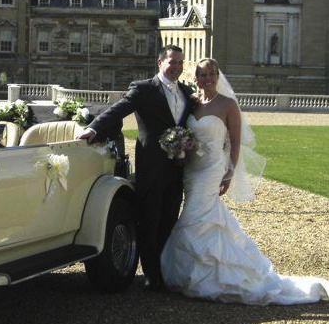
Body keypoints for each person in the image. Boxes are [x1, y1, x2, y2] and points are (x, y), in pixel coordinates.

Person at [160, 58, 329, 305]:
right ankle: (194, 273)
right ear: (195, 78)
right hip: (192, 169)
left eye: (211, 75)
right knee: (201, 215)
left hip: (213, 169)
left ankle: (209, 277)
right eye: (202, 75)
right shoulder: (192, 104)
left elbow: (236, 142)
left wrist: (229, 172)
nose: (207, 79)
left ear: (218, 77)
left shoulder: (228, 104)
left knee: (195, 217)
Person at [78, 45, 195, 290]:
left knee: (168, 220)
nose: (177, 67)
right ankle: (151, 276)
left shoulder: (186, 91)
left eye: (180, 63)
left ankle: (164, 270)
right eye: (172, 62)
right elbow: (118, 109)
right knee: (149, 220)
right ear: (160, 62)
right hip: (151, 165)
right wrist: (93, 128)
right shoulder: (143, 89)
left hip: (177, 166)